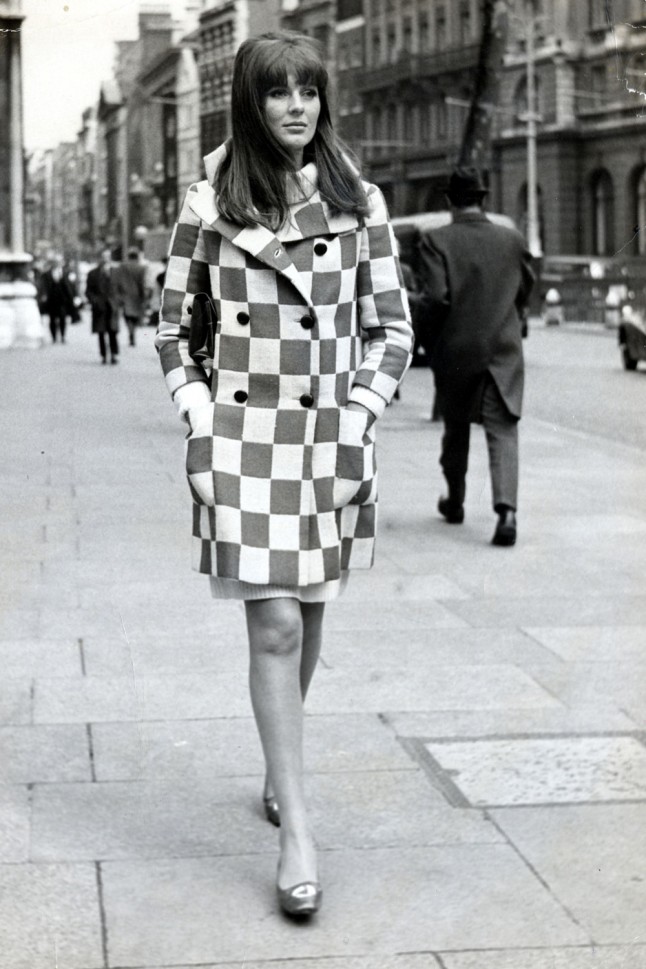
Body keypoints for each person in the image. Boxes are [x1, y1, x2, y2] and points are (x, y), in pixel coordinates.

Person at [155, 31, 412, 917]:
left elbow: (392, 329)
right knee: (273, 628)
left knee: (307, 619)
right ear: (250, 103)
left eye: (309, 89)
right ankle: (298, 828)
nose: (297, 106)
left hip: (329, 438)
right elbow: (171, 331)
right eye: (277, 92)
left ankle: (279, 763)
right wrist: (200, 416)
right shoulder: (208, 205)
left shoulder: (358, 200)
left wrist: (360, 415)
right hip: (243, 441)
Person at [415, 166, 535, 547]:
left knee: (456, 429)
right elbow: (525, 288)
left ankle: (455, 501)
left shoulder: (435, 240)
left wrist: (426, 337)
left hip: (457, 352)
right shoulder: (512, 239)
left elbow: (436, 298)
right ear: (482, 199)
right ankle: (507, 513)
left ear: (450, 200)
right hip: (503, 351)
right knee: (504, 431)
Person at [85, 248, 121, 364]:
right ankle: (104, 355)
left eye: (107, 256)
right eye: (103, 256)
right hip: (99, 307)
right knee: (101, 332)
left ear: (110, 258)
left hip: (112, 306)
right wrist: (94, 301)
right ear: (100, 258)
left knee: (113, 331)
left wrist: (118, 301)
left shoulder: (116, 272)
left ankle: (114, 354)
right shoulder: (93, 274)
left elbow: (121, 289)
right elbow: (88, 291)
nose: (105, 259)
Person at [39, 256, 78, 344]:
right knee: (52, 319)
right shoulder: (46, 274)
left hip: (62, 300)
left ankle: (63, 336)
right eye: (55, 262)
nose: (56, 263)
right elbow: (43, 286)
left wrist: (74, 297)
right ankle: (54, 337)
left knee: (62, 318)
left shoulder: (65, 273)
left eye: (58, 262)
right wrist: (44, 296)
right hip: (51, 300)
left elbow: (71, 286)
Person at [116, 246, 149, 346]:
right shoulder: (141, 267)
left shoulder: (122, 266)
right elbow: (142, 282)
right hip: (136, 295)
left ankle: (130, 331)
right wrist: (143, 295)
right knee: (134, 316)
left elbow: (118, 280)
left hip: (125, 294)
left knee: (127, 315)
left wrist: (118, 293)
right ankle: (132, 331)